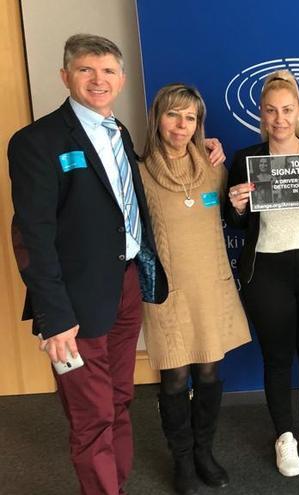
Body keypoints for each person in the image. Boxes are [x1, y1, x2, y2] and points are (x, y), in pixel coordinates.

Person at [7, 34, 167, 495]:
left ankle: (113, 485)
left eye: (108, 71)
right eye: (86, 70)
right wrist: (53, 317)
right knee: (91, 413)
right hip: (73, 306)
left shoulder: (118, 131)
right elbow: (32, 237)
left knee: (119, 399)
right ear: (65, 76)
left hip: (126, 287)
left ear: (120, 79)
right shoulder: (36, 142)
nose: (99, 80)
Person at [223, 70, 299, 477]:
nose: (280, 118)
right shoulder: (246, 159)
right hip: (268, 267)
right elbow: (236, 223)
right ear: (261, 113)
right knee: (277, 358)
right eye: (272, 110)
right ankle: (284, 437)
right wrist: (238, 205)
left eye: (287, 110)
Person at [139, 84, 252, 494]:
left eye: (190, 118)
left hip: (211, 285)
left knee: (208, 371)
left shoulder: (213, 165)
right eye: (173, 115)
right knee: (173, 379)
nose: (181, 125)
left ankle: (204, 452)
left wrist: (238, 204)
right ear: (157, 118)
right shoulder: (138, 170)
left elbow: (232, 215)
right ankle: (182, 460)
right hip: (168, 292)